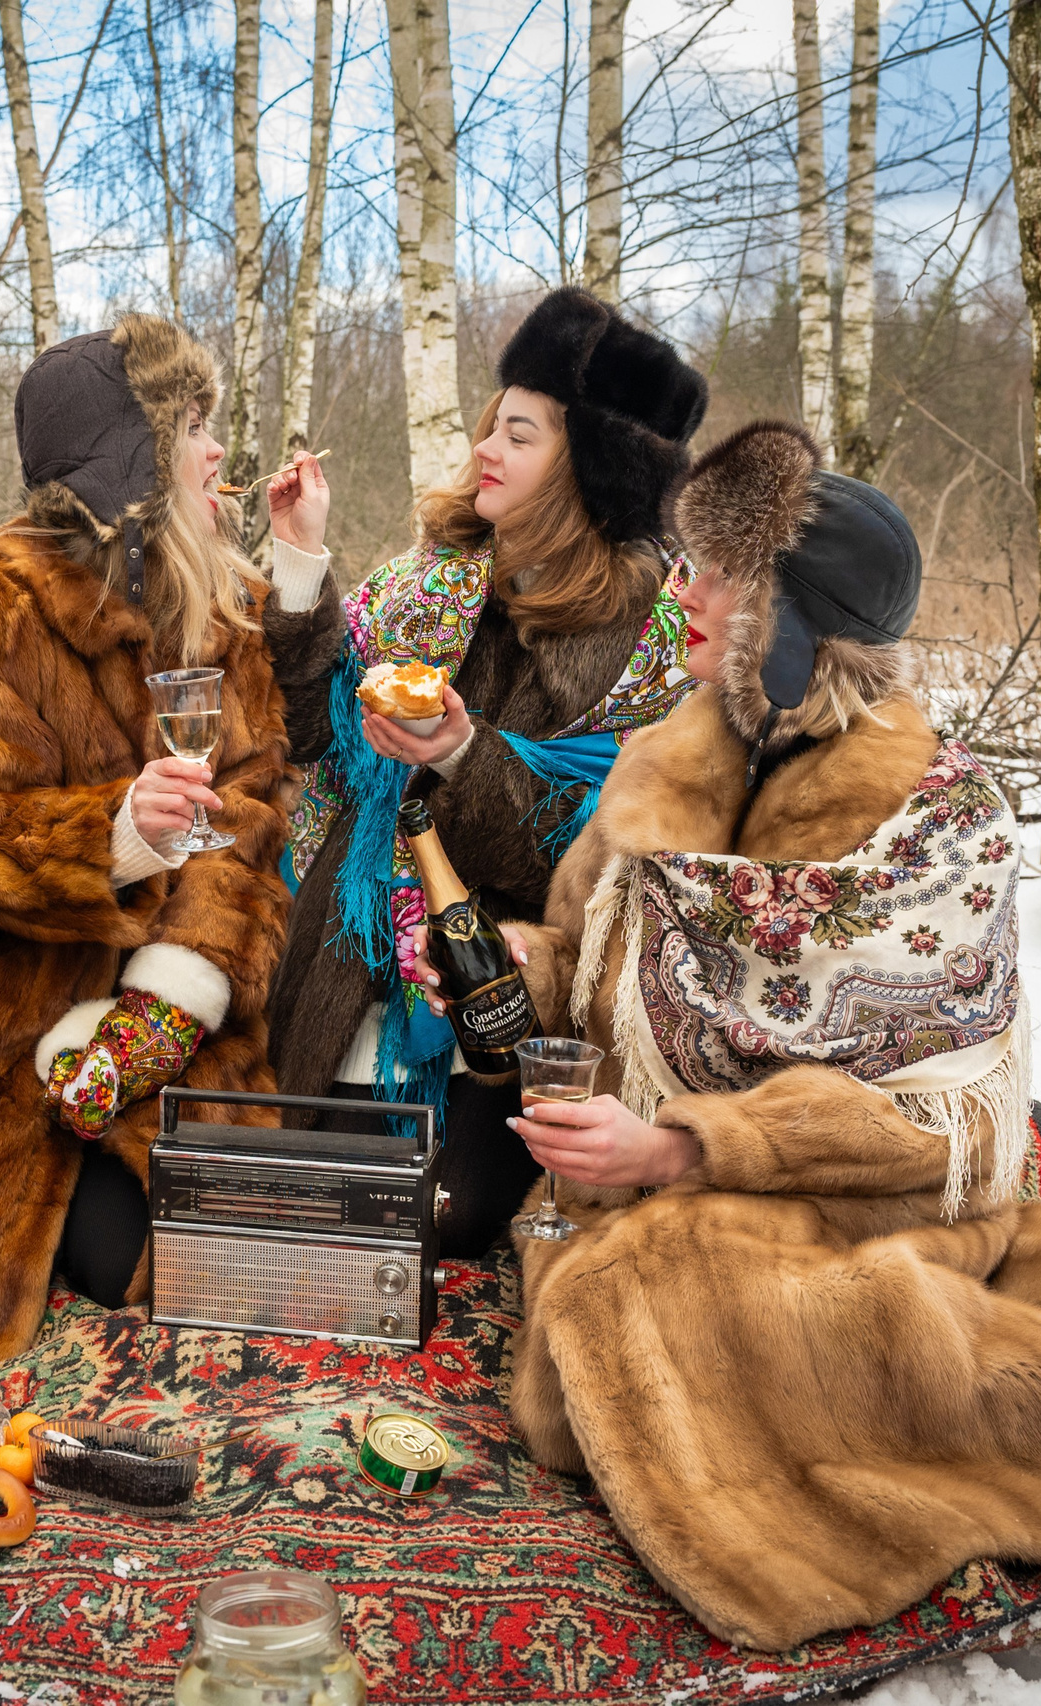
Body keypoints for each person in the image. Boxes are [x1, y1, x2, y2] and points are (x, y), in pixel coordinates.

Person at [462, 422, 1041, 1652]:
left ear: (791, 620)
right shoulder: (661, 765)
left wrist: (685, 1151)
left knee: (634, 1307)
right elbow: (590, 984)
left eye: (713, 571)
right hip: (644, 1170)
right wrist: (508, 964)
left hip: (860, 1191)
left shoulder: (933, 820)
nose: (677, 589)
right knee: (607, 1309)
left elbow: (936, 1118)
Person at [257, 286, 708, 1256]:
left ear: (586, 464)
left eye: (519, 433)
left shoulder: (651, 642)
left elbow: (597, 852)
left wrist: (464, 754)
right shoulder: (432, 576)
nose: (483, 451)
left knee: (440, 1220)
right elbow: (311, 734)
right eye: (488, 426)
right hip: (349, 944)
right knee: (317, 1206)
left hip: (505, 998)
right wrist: (300, 561)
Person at [0, 313, 295, 1368]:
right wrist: (115, 834)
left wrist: (170, 993)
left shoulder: (224, 604)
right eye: (190, 427)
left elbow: (251, 807)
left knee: (223, 1288)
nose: (214, 452)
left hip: (185, 1012)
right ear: (130, 459)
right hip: (31, 998)